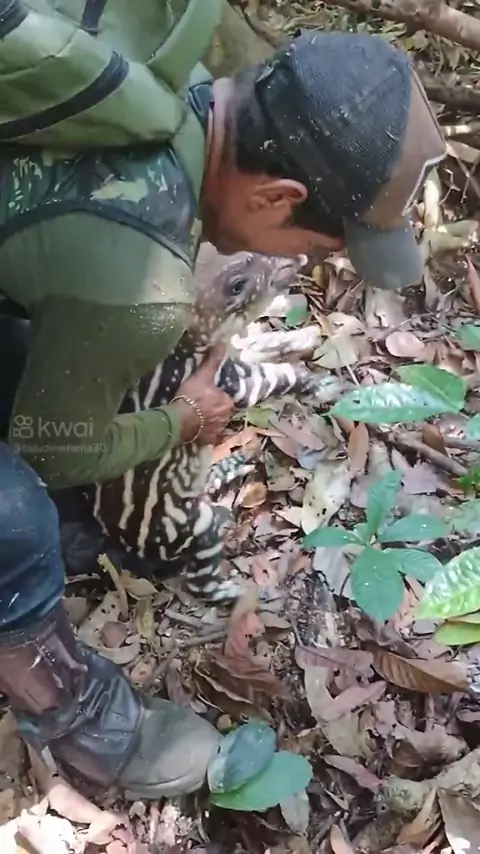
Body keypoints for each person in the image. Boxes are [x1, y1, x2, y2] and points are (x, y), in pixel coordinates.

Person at [0, 31, 446, 800]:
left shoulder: (154, 74)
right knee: (15, 517)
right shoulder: (141, 283)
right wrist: (183, 418)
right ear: (275, 198)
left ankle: (71, 529)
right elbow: (53, 453)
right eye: (315, 247)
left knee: (38, 360)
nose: (301, 263)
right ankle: (68, 705)